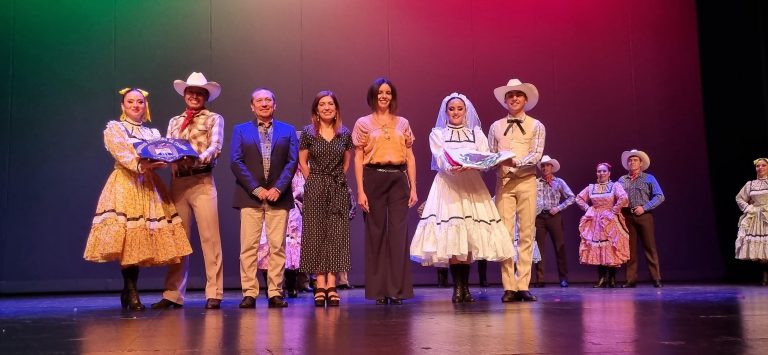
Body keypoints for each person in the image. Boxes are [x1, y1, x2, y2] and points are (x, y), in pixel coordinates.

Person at [84, 88, 192, 310]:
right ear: (123, 106)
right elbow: (122, 154)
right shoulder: (115, 128)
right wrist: (142, 164)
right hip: (126, 183)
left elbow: (159, 154)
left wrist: (162, 161)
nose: (135, 105)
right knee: (128, 235)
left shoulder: (152, 133)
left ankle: (130, 290)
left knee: (141, 236)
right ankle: (131, 290)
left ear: (146, 106)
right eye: (130, 102)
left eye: (140, 102)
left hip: (149, 185)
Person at [410, 93, 515, 303]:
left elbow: (485, 156)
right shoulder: (438, 133)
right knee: (452, 234)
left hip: (471, 185)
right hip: (448, 185)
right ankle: (457, 289)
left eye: (459, 108)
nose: (456, 112)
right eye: (452, 109)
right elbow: (440, 157)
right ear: (446, 112)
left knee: (468, 235)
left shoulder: (476, 133)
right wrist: (453, 166)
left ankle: (466, 288)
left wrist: (474, 164)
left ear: (465, 111)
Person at [152, 72, 225, 310]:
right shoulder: (175, 121)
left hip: (201, 181)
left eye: (199, 93)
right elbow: (167, 146)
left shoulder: (214, 118)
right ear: (185, 95)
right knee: (178, 239)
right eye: (190, 92)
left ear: (205, 96)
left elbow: (215, 146)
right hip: (178, 182)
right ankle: (173, 293)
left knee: (209, 238)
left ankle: (214, 292)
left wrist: (194, 157)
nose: (194, 96)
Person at [231, 88, 298, 308]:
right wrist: (256, 189)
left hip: (279, 197)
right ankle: (249, 292)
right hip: (250, 197)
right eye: (259, 100)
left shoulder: (288, 131)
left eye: (268, 99)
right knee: (248, 247)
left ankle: (275, 292)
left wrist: (278, 188)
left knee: (277, 247)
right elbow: (236, 162)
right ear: (252, 106)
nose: (264, 103)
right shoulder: (240, 130)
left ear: (275, 104)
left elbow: (292, 162)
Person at [352, 78, 417, 305]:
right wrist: (360, 191)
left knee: (398, 234)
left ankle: (397, 290)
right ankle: (379, 290)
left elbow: (410, 156)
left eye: (388, 92)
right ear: (373, 95)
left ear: (392, 96)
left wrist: (413, 187)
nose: (384, 96)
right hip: (374, 177)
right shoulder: (363, 123)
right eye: (380, 92)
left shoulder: (402, 123)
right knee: (376, 233)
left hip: (398, 178)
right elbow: (358, 158)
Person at [488, 79, 545, 302]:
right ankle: (508, 286)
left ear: (525, 99)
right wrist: (496, 163)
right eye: (510, 95)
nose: (514, 98)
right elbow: (492, 154)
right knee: (504, 233)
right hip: (504, 184)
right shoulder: (496, 126)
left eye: (518, 95)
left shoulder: (536, 125)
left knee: (527, 233)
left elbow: (536, 154)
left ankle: (523, 284)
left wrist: (515, 163)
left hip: (527, 181)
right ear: (505, 100)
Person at [298, 90, 354, 307]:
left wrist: (336, 179)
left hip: (337, 186)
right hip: (316, 185)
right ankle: (319, 283)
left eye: (331, 104)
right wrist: (313, 181)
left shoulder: (344, 133)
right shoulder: (309, 133)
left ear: (336, 108)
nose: (327, 107)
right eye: (322, 104)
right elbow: (303, 161)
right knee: (316, 233)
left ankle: (332, 284)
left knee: (336, 235)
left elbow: (347, 163)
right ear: (316, 109)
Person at [575, 163, 630, 288]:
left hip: (610, 219)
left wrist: (614, 210)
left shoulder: (615, 185)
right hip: (595, 220)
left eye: (604, 171)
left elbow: (623, 197)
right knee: (599, 248)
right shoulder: (591, 187)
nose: (601, 173)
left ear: (609, 173)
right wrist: (589, 209)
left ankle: (612, 278)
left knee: (611, 247)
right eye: (599, 171)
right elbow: (579, 198)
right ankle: (601, 278)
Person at [617, 149, 665, 288]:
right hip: (627, 216)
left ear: (641, 163)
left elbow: (660, 196)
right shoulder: (622, 180)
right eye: (630, 160)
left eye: (635, 160)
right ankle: (630, 279)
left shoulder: (649, 178)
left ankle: (656, 278)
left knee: (650, 247)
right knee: (630, 250)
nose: (632, 162)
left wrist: (644, 207)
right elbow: (617, 197)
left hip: (644, 215)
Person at [532, 155, 575, 288]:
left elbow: (571, 197)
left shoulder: (559, 182)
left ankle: (563, 278)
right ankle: (540, 279)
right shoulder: (535, 182)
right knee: (539, 249)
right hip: (539, 217)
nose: (545, 168)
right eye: (543, 166)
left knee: (559, 247)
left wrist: (559, 208)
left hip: (554, 217)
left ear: (552, 167)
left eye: (547, 165)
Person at [735, 158, 768, 286]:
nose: (760, 168)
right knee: (762, 251)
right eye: (758, 166)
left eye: (763, 165)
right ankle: (765, 276)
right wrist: (749, 208)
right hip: (757, 217)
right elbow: (739, 198)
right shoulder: (751, 184)